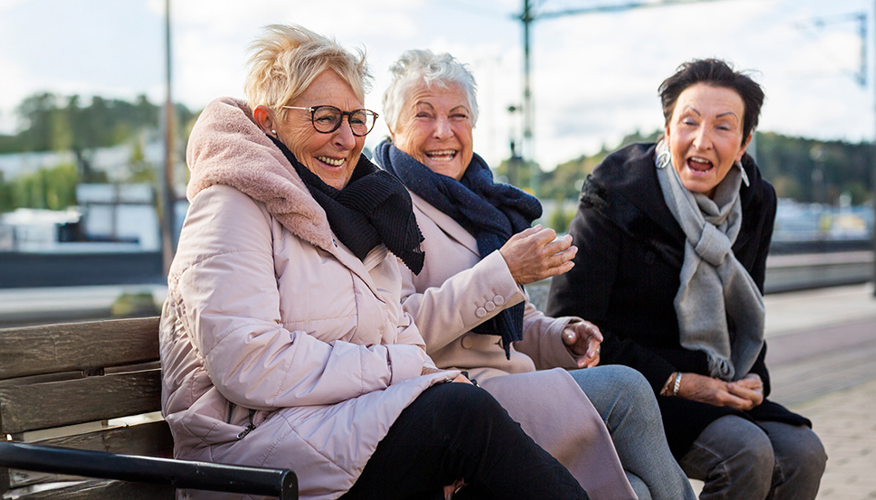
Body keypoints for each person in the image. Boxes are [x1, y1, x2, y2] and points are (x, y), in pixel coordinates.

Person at [159, 25, 591, 500]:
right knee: (464, 417)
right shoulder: (231, 204)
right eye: (324, 118)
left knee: (473, 429)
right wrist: (397, 369)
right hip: (247, 450)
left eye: (356, 119)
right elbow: (248, 360)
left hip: (335, 426)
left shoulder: (357, 212)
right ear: (268, 121)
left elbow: (397, 332)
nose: (346, 138)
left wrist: (423, 374)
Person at [375, 49, 694, 500]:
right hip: (454, 396)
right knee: (626, 388)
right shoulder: (385, 206)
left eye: (458, 115)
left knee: (637, 489)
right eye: (423, 115)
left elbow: (513, 321)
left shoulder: (477, 203)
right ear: (393, 127)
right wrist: (502, 269)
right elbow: (397, 329)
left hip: (508, 383)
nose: (443, 131)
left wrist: (560, 336)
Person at [547, 59, 827, 499]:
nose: (702, 141)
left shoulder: (755, 200)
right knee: (746, 453)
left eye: (723, 127)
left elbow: (745, 310)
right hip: (640, 384)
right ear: (667, 130)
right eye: (689, 122)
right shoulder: (617, 191)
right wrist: (677, 381)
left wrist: (755, 379)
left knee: (803, 452)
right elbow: (569, 324)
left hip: (718, 383)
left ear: (744, 142)